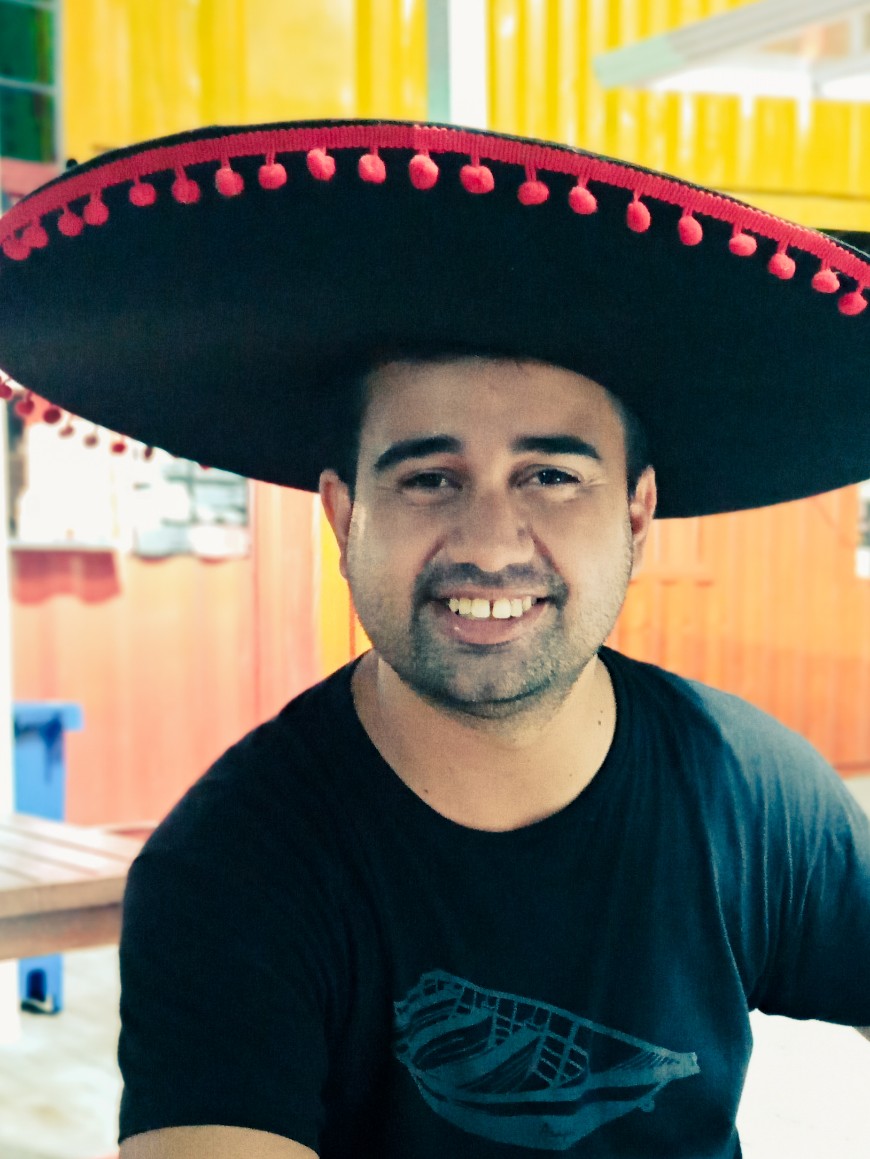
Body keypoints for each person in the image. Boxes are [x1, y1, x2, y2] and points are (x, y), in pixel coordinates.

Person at [0, 119, 869, 1158]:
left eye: (551, 475)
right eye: (428, 478)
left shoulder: (747, 791)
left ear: (636, 518)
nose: (492, 543)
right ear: (343, 517)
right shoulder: (233, 868)